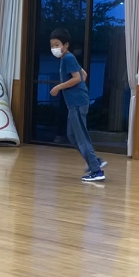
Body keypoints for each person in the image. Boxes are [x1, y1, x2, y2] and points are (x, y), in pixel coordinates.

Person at [50, 28, 105, 182]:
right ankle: (95, 161)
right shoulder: (67, 58)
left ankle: (97, 170)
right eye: (52, 45)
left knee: (81, 137)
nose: (54, 48)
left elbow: (78, 78)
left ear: (66, 45)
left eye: (57, 45)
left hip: (77, 103)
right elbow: (84, 74)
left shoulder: (68, 58)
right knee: (72, 135)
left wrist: (59, 87)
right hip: (75, 102)